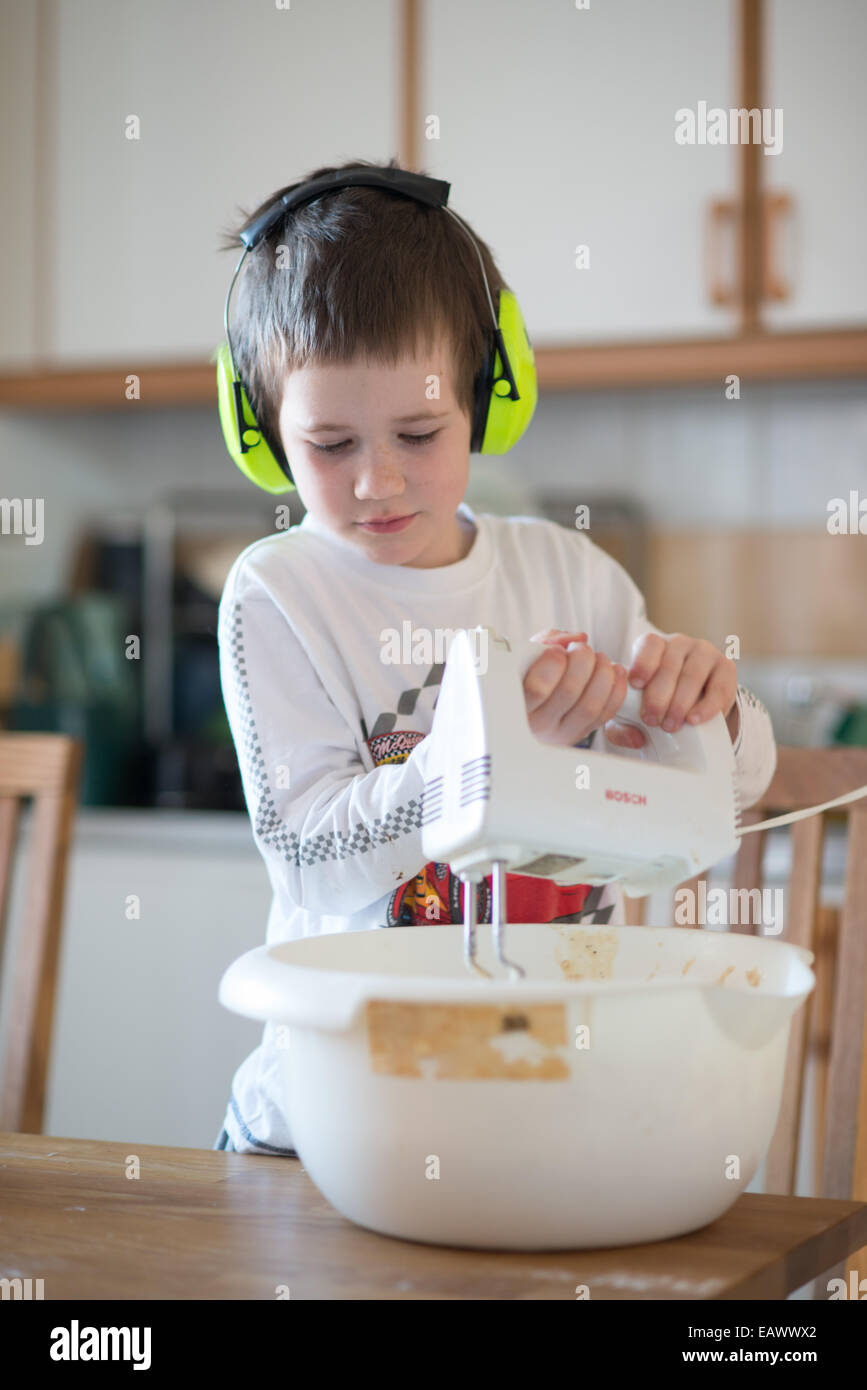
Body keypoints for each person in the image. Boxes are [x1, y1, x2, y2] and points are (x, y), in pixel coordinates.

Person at [212, 158, 776, 1154]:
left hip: (547, 1098)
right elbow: (307, 861)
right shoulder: (278, 592)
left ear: (487, 398)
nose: (378, 479)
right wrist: (479, 758)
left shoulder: (573, 573)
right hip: (336, 1116)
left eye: (419, 432)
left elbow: (732, 791)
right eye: (331, 444)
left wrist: (713, 709)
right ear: (261, 431)